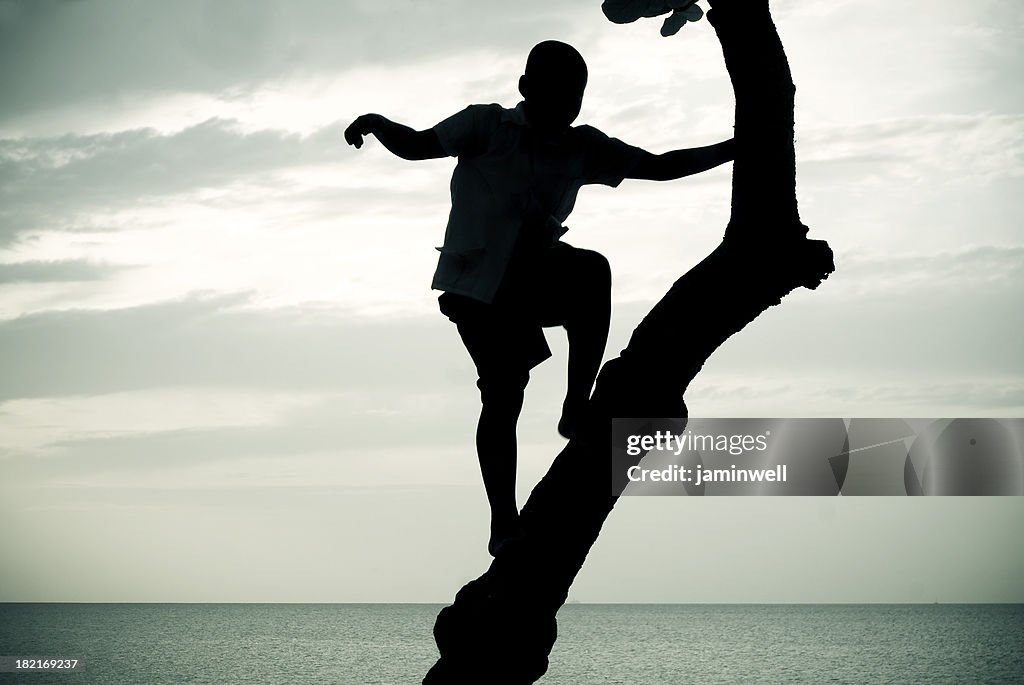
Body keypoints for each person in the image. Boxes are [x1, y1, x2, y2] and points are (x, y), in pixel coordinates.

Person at [344, 40, 735, 555]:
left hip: (532, 280)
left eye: (575, 95)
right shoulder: (485, 126)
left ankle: (577, 404)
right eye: (555, 91)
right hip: (478, 289)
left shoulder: (583, 147)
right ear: (526, 89)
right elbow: (418, 145)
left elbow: (660, 166)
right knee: (504, 396)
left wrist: (736, 147)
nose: (566, 104)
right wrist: (374, 121)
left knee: (591, 271)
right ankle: (502, 522)